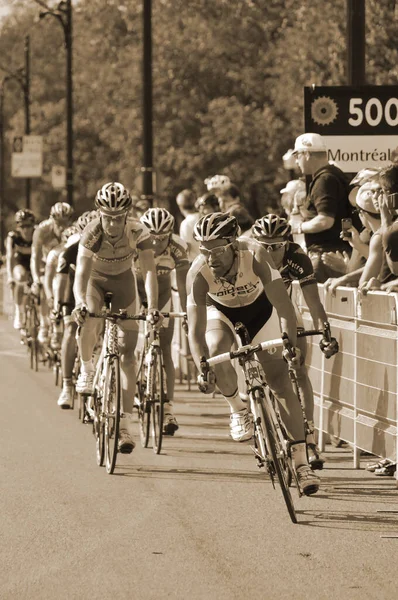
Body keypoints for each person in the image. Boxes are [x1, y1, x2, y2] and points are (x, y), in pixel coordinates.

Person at [186, 212, 320, 495]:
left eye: (218, 250)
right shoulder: (198, 273)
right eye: (204, 250)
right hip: (220, 313)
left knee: (280, 381)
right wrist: (202, 365)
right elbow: (195, 331)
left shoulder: (256, 253)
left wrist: (289, 342)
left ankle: (301, 462)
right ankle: (237, 408)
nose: (211, 257)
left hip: (261, 311)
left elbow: (284, 308)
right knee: (216, 350)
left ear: (234, 243)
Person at [72, 182, 161, 454]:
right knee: (89, 320)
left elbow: (148, 272)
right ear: (99, 213)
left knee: (128, 354)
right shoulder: (92, 231)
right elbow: (81, 274)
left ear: (127, 214)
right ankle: (87, 369)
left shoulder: (138, 231)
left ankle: (124, 424)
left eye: (117, 218)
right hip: (95, 284)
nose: (112, 223)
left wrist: (153, 307)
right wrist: (78, 303)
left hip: (124, 285)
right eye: (107, 217)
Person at [251, 214, 339, 469]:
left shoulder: (297, 257)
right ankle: (259, 425)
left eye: (276, 246)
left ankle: (308, 439)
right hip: (253, 314)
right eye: (264, 246)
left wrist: (325, 331)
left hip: (284, 312)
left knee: (297, 369)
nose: (270, 251)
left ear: (286, 243)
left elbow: (313, 301)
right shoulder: (248, 258)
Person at [138, 207, 190, 434]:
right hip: (135, 293)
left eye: (162, 238)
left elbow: (183, 285)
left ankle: (168, 408)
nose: (157, 243)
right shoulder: (135, 243)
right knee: (129, 345)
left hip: (163, 296)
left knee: (165, 347)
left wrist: (189, 313)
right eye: (153, 238)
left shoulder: (177, 247)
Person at [290, 133, 352, 283]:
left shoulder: (324, 179)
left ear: (306, 154)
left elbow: (325, 220)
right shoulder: (334, 175)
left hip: (326, 256)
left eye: (297, 155)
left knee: (322, 305)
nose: (296, 161)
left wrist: (297, 227)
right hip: (336, 253)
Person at [54, 211, 98, 409]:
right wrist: (58, 304)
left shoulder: (106, 248)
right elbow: (61, 280)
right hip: (74, 295)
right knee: (70, 331)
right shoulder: (71, 250)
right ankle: (67, 385)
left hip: (98, 294)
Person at [324, 181, 384, 296]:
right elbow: (376, 264)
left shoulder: (380, 235)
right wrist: (347, 271)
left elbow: (381, 264)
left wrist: (359, 246)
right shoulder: (373, 234)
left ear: (362, 213)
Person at [30, 202, 74, 343]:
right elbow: (35, 256)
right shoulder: (42, 230)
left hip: (62, 264)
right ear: (52, 219)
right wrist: (36, 278)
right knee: (44, 284)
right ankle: (44, 325)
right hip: (44, 263)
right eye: (58, 223)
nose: (62, 227)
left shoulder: (72, 231)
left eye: (65, 222)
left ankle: (60, 324)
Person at [6, 209, 36, 331]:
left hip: (35, 261)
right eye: (22, 226)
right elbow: (9, 257)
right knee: (20, 276)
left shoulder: (38, 233)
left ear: (33, 225)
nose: (26, 229)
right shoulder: (13, 236)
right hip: (21, 262)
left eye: (28, 226)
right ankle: (19, 312)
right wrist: (10, 276)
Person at [176, 189, 200, 262]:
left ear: (180, 206)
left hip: (194, 264)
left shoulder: (186, 223)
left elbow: (186, 248)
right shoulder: (203, 217)